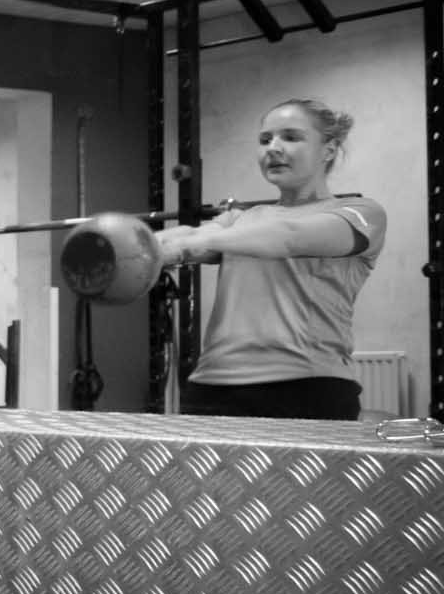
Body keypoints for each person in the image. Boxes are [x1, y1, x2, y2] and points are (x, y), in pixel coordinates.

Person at [157, 98, 386, 421]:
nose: (273, 148)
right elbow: (186, 238)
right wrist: (146, 245)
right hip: (211, 386)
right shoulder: (243, 218)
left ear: (329, 150)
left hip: (306, 387)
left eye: (291, 137)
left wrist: (196, 241)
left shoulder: (360, 213)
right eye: (265, 140)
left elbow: (289, 236)